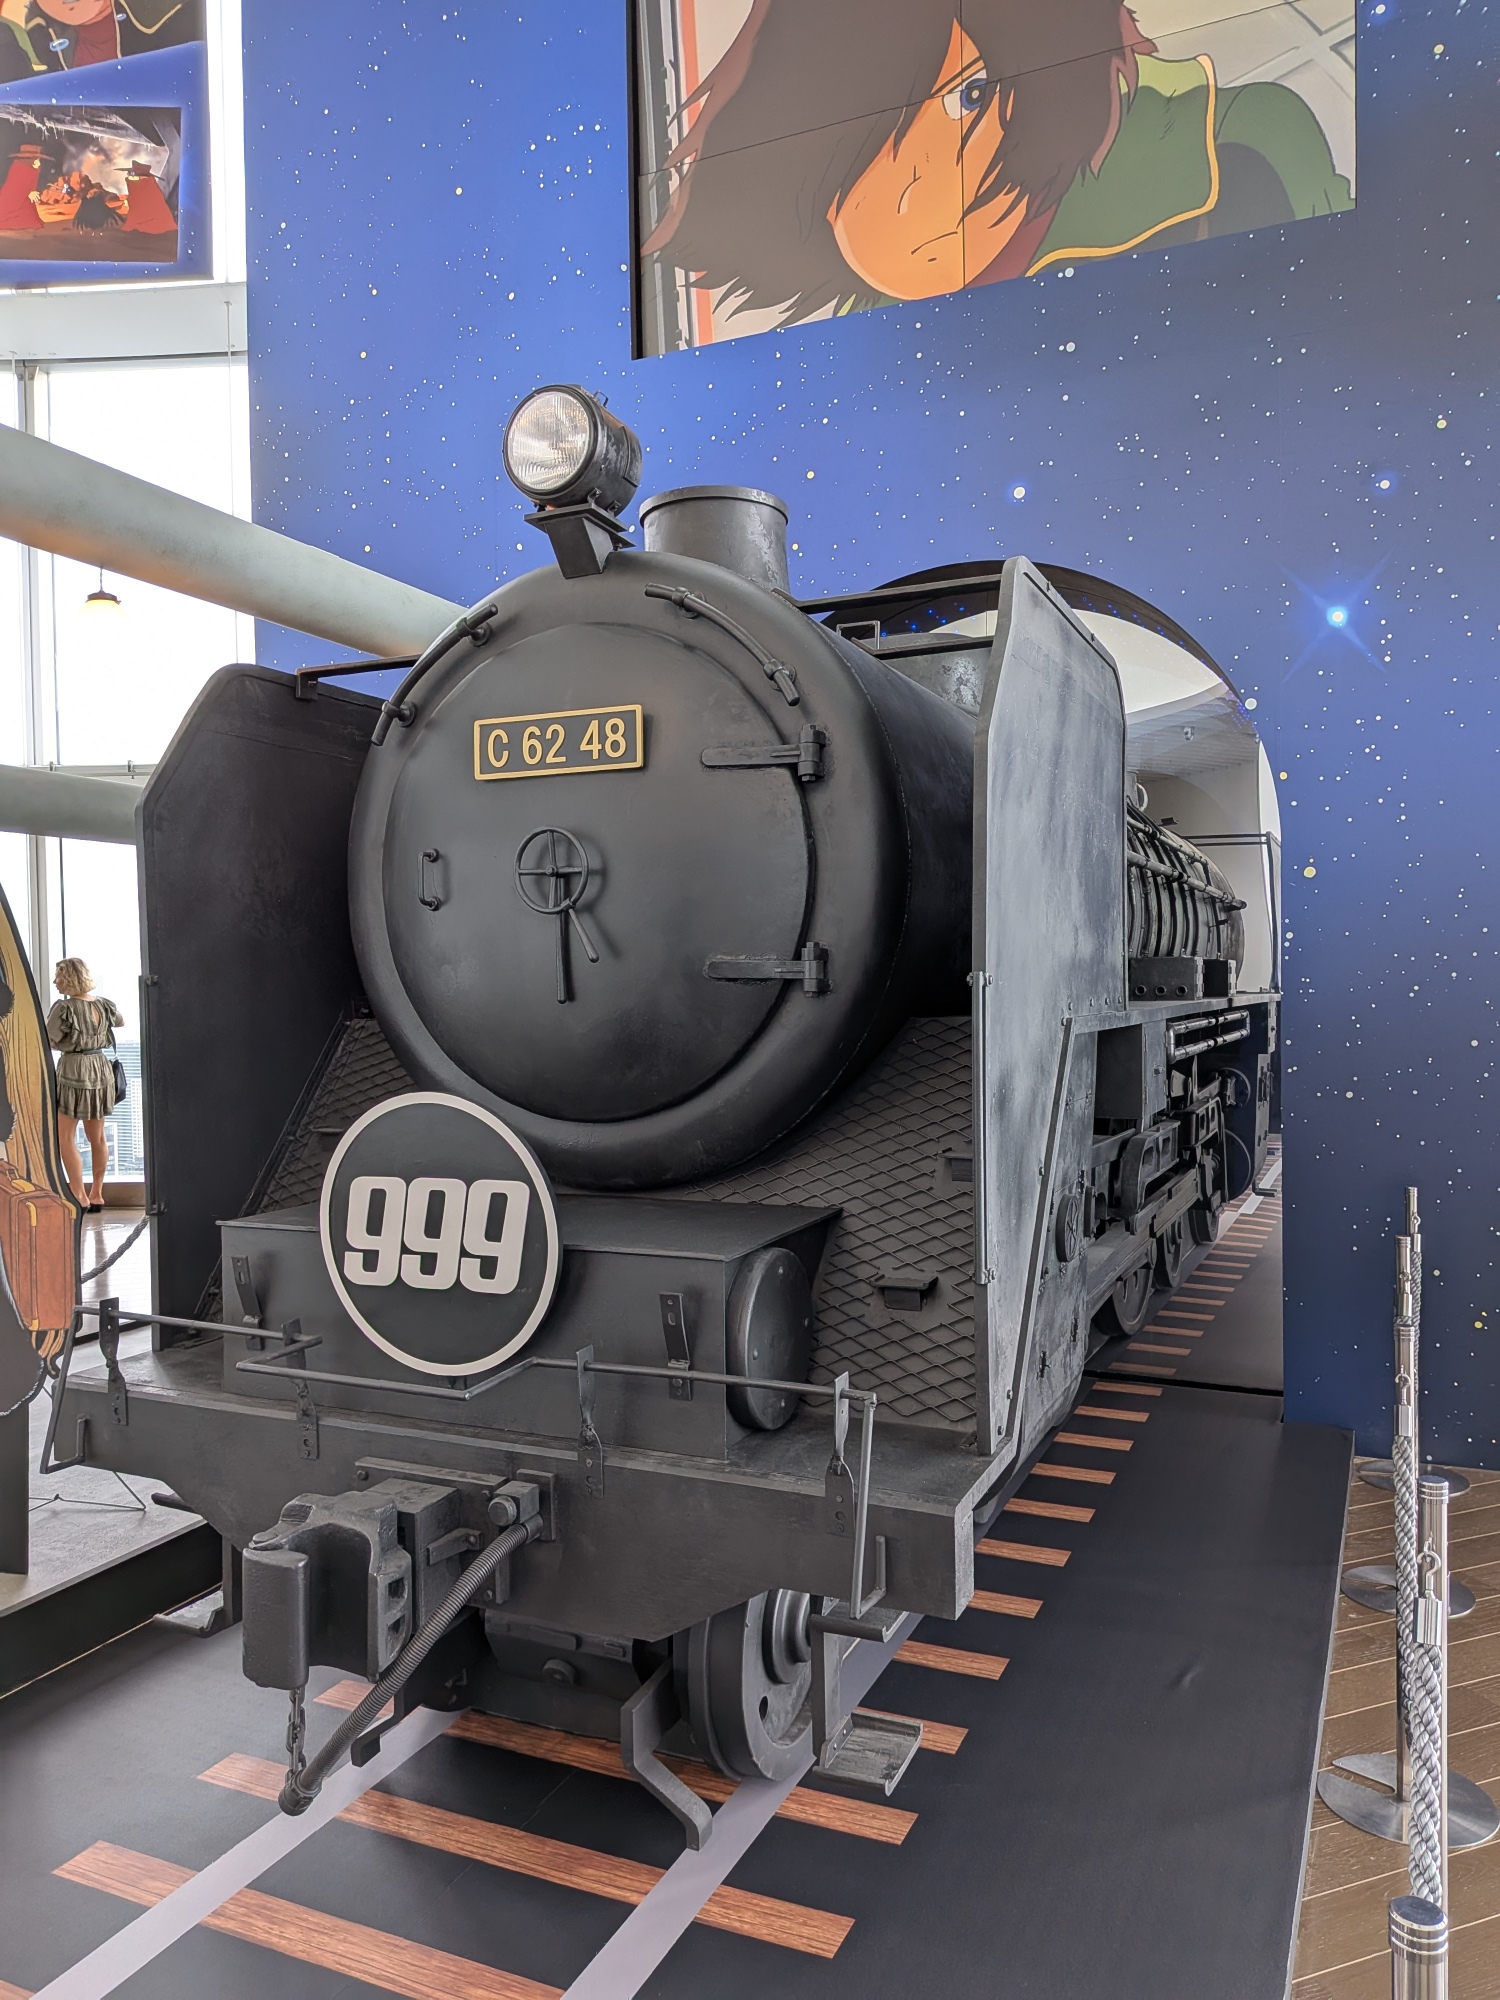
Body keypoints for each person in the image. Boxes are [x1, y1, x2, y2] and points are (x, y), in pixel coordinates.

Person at [644, 0, 1354, 334]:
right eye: (863, 139)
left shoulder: (1237, 144)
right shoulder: (872, 315)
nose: (914, 188)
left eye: (972, 97)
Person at [46, 957, 122, 1211]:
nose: (55, 981)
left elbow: (49, 1039)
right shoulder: (104, 1004)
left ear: (70, 978)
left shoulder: (63, 1008)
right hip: (100, 1070)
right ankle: (97, 1193)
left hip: (73, 1070)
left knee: (66, 1137)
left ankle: (79, 1196)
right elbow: (120, 1021)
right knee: (97, 1137)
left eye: (59, 976)